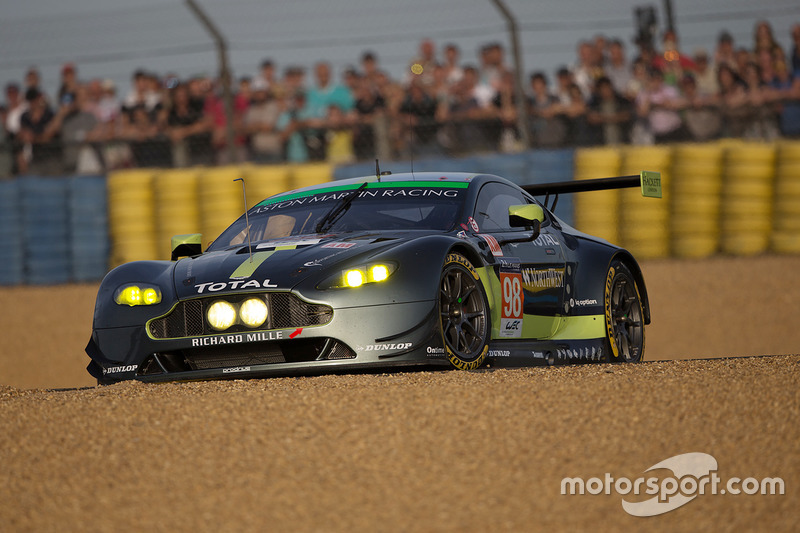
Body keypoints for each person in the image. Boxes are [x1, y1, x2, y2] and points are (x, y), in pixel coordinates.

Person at [19, 87, 66, 175]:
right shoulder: (24, 117)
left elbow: (48, 136)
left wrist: (35, 138)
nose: (33, 103)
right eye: (30, 100)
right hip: (35, 159)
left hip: (53, 158)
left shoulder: (50, 114)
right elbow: (24, 135)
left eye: (34, 99)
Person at [244, 81, 284, 163]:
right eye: (257, 92)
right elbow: (246, 129)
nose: (260, 95)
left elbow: (268, 127)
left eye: (262, 92)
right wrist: (260, 125)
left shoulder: (272, 106)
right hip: (258, 150)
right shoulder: (251, 110)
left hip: (273, 150)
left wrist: (254, 126)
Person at [587, 76, 633, 145]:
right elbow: (592, 118)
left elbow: (626, 116)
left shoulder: (621, 101)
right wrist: (615, 118)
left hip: (622, 142)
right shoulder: (594, 103)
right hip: (601, 144)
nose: (605, 91)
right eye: (602, 88)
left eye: (607, 87)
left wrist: (603, 118)